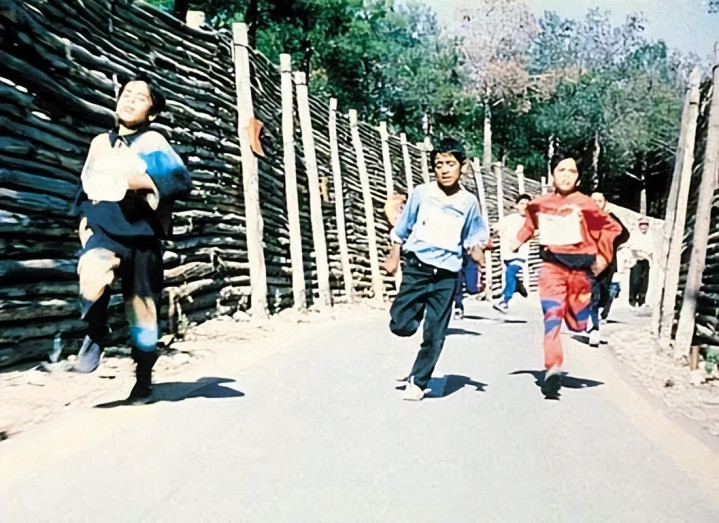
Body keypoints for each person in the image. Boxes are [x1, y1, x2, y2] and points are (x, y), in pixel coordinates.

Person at [70, 75, 193, 404]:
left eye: (140, 98)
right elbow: (85, 186)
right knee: (91, 274)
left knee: (143, 313)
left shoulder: (152, 142)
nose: (129, 100)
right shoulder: (101, 143)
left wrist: (140, 180)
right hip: (104, 232)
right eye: (126, 94)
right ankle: (97, 332)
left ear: (152, 113)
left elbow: (181, 181)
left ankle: (143, 378)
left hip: (142, 237)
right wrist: (83, 221)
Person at [383, 137, 489, 401]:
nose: (444, 170)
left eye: (450, 164)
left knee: (435, 333)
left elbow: (473, 237)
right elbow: (402, 227)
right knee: (400, 324)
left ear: (463, 167)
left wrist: (478, 257)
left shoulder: (468, 202)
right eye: (439, 164)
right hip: (417, 268)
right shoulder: (422, 193)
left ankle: (419, 381)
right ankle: (415, 311)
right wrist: (393, 257)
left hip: (447, 275)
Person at [512, 152, 622, 399]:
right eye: (561, 170)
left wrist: (603, 257)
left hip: (580, 271)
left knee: (577, 323)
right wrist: (516, 241)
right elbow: (529, 225)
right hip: (552, 267)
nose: (566, 176)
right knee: (552, 317)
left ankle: (578, 322)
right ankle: (552, 368)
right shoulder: (540, 204)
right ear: (552, 175)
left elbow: (612, 229)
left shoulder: (586, 204)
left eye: (572, 172)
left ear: (579, 179)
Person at [587, 192, 630, 346]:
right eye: (594, 201)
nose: (597, 203)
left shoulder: (611, 219)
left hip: (607, 264)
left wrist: (613, 245)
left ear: (605, 203)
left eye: (600, 201)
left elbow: (625, 234)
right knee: (593, 295)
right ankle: (594, 328)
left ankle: (592, 320)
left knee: (603, 296)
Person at [492, 193, 531, 313]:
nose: (524, 206)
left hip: (521, 253)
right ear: (516, 206)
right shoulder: (510, 219)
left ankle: (505, 300)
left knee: (510, 272)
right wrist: (493, 230)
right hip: (507, 252)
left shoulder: (531, 221)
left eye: (527, 204)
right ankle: (517, 285)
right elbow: (496, 227)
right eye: (522, 204)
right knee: (511, 275)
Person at [629, 217, 653, 307]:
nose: (644, 227)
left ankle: (642, 299)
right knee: (635, 280)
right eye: (642, 225)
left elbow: (651, 248)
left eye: (646, 225)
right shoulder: (634, 235)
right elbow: (633, 248)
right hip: (636, 260)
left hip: (646, 261)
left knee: (644, 281)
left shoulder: (649, 235)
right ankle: (632, 298)